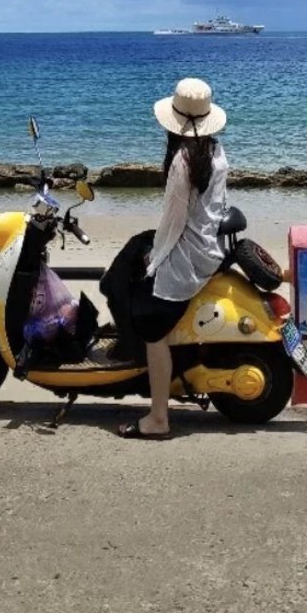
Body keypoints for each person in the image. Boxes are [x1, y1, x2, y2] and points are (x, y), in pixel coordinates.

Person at [112, 76, 229, 441]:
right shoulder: (214, 151)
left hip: (187, 255)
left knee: (151, 326)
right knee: (132, 252)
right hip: (207, 244)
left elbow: (174, 222)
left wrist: (154, 259)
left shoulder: (183, 161)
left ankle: (158, 417)